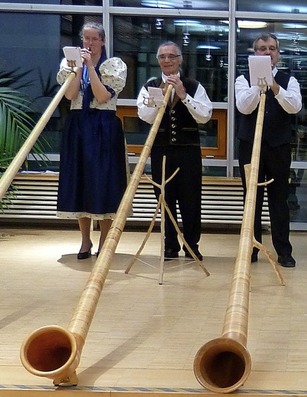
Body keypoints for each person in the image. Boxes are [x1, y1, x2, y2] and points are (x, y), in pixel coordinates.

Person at [56, 22, 128, 260]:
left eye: (94, 39)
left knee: (104, 181)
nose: (89, 43)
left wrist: (91, 68)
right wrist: (78, 68)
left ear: (103, 41)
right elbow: (70, 94)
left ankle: (105, 241)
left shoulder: (114, 65)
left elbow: (102, 95)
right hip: (78, 123)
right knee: (81, 180)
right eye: (85, 38)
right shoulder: (70, 63)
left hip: (104, 125)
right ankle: (85, 241)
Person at [137, 41, 213, 261]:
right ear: (158, 60)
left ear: (180, 59)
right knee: (165, 199)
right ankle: (169, 245)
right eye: (162, 56)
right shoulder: (150, 85)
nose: (167, 60)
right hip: (161, 151)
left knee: (191, 200)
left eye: (171, 56)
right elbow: (144, 116)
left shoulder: (194, 85)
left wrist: (184, 95)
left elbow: (205, 115)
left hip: (188, 152)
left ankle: (191, 245)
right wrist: (157, 100)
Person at [235, 33, 302, 268]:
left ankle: (283, 250)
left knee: (279, 199)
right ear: (255, 53)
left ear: (278, 53)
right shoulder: (242, 80)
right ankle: (251, 248)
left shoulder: (288, 79)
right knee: (251, 199)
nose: (267, 52)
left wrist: (273, 87)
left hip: (278, 147)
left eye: (271, 48)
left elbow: (294, 106)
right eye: (262, 49)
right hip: (249, 145)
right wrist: (258, 83)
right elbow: (244, 107)